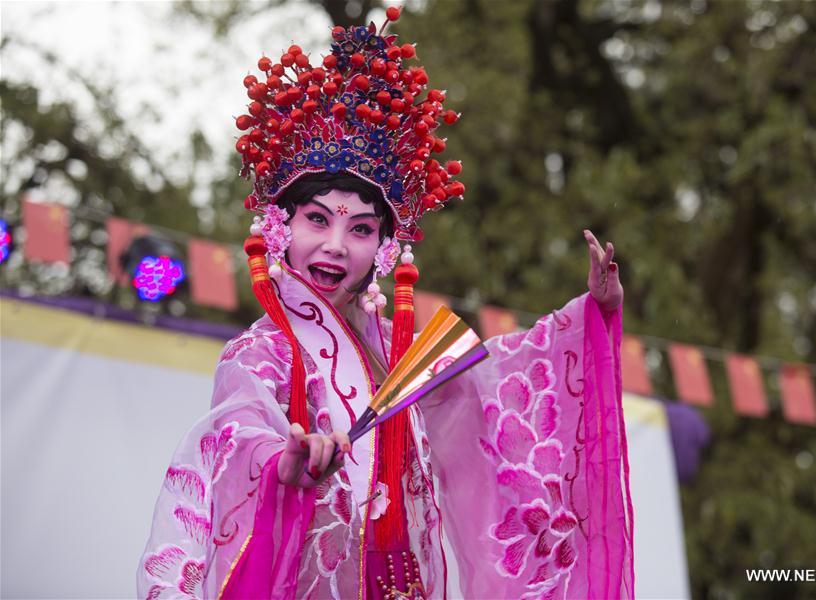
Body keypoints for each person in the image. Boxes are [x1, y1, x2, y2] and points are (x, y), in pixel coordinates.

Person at [138, 12, 632, 600]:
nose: (335, 245)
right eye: (317, 219)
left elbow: (493, 395)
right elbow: (238, 434)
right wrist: (284, 466)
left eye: (361, 229)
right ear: (279, 227)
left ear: (383, 247)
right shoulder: (259, 354)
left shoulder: (398, 354)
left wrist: (587, 315)